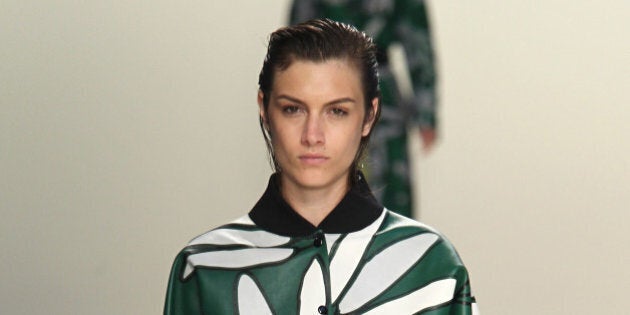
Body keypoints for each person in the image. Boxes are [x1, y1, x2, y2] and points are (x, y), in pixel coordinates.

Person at [164, 19, 478, 315]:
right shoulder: (204, 267)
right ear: (265, 108)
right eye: (293, 109)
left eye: (336, 111)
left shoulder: (430, 265)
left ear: (369, 116)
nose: (312, 136)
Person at [289, 0, 439, 218]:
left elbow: (418, 40)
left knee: (390, 194)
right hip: (325, 88)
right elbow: (294, 43)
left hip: (382, 97)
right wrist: (295, 104)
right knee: (324, 188)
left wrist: (426, 113)